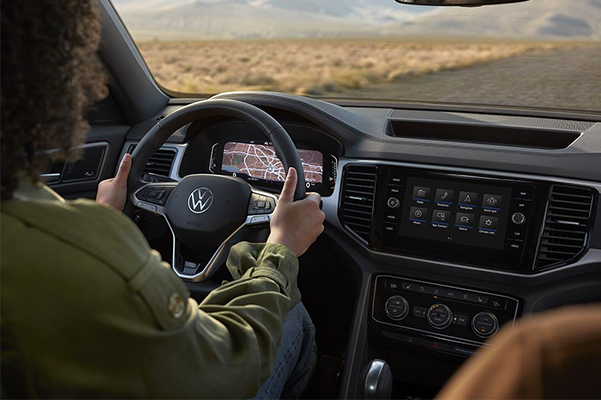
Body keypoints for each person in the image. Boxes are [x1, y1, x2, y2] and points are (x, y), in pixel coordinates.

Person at [0, 0, 325, 398]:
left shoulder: (44, 236)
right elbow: (221, 371)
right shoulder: (78, 250)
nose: (92, 86)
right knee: (287, 310)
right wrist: (281, 248)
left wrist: (103, 217)